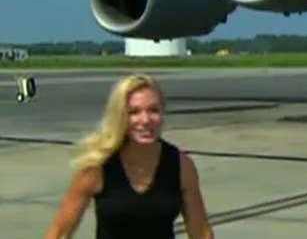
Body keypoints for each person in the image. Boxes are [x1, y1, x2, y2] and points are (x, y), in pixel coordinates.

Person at [45, 73, 214, 239]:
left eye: (153, 110)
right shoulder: (98, 167)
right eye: (134, 112)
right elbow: (59, 233)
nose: (146, 119)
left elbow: (201, 232)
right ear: (120, 117)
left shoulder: (181, 166)